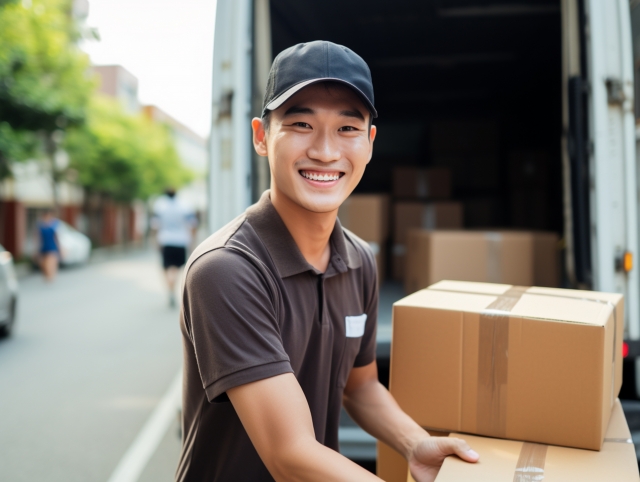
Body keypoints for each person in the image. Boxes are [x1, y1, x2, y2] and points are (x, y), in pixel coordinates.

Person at [176, 41, 478, 482]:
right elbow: (291, 455)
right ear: (262, 136)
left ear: (370, 143)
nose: (324, 151)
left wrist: (415, 443)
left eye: (347, 129)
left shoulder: (359, 260)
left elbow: (361, 386)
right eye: (301, 124)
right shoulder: (226, 270)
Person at [151, 189, 197, 307]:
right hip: (181, 241)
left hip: (165, 240)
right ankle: (172, 288)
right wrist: (192, 241)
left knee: (166, 268)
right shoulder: (184, 205)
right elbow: (192, 225)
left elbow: (155, 226)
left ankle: (170, 290)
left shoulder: (160, 205)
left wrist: (155, 241)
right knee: (175, 268)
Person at [36, 209, 62, 282]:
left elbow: (57, 237)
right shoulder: (40, 225)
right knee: (43, 264)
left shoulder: (55, 224)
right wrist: (36, 249)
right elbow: (38, 237)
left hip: (52, 246)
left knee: (50, 263)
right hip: (43, 246)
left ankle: (51, 275)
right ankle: (48, 276)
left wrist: (60, 248)